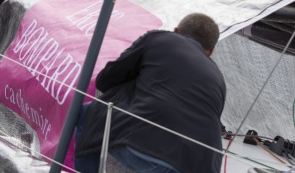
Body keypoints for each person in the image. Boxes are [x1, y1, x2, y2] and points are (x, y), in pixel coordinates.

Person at [75, 13, 226, 173]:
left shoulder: (159, 39)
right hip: (204, 165)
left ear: (175, 31)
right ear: (210, 52)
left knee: (86, 115)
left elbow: (105, 81)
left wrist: (137, 82)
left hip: (156, 156)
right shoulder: (218, 76)